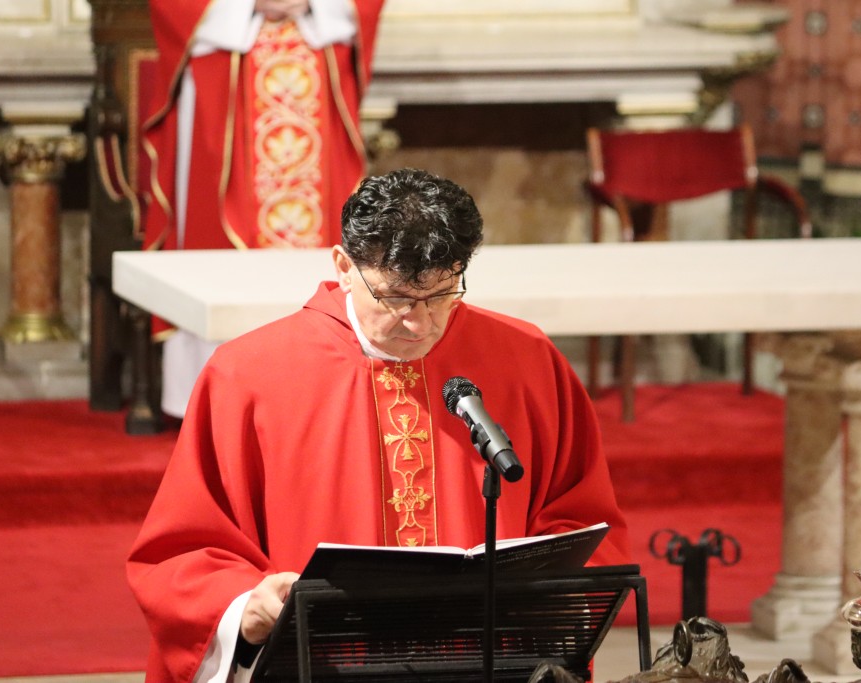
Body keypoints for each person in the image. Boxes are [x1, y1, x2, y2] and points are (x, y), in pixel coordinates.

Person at [127, 168, 631, 682]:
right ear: (344, 266)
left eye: (442, 294)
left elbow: (582, 520)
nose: (420, 323)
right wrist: (245, 607)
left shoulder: (526, 360)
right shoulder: (249, 375)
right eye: (395, 298)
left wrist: (548, 595)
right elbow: (186, 551)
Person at [142, 0, 384, 418]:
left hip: (315, 48)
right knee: (213, 231)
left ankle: (325, 390)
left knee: (330, 230)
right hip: (224, 63)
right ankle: (217, 403)